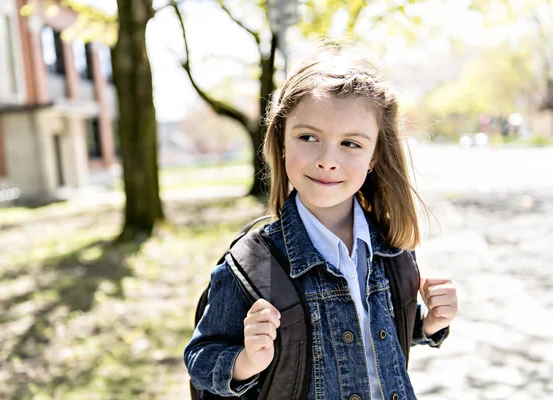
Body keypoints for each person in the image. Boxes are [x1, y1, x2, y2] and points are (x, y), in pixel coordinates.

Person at [183, 41, 459, 399]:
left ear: (374, 155)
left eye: (350, 144)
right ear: (281, 141)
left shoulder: (392, 248)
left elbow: (377, 337)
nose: (327, 160)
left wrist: (429, 324)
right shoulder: (252, 266)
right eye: (308, 137)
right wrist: (246, 361)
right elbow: (201, 358)